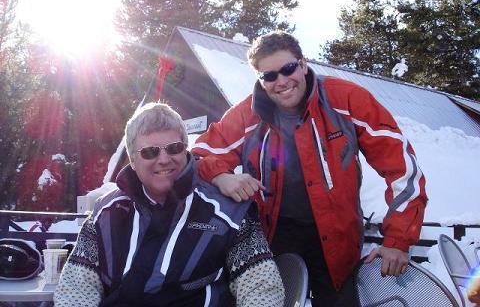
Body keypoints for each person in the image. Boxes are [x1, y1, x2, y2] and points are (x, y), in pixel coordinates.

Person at [192, 31, 428, 306]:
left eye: (288, 69)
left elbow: (402, 169)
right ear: (260, 79)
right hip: (274, 242)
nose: (281, 82)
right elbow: (199, 155)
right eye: (269, 76)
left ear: (303, 64)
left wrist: (398, 239)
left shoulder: (347, 99)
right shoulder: (247, 115)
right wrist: (221, 176)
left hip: (339, 242)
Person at [54, 102, 284, 307]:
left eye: (174, 148)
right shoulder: (107, 212)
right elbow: (77, 285)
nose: (164, 159)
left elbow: (261, 288)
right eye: (150, 152)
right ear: (133, 161)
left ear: (185, 150)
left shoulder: (228, 214)